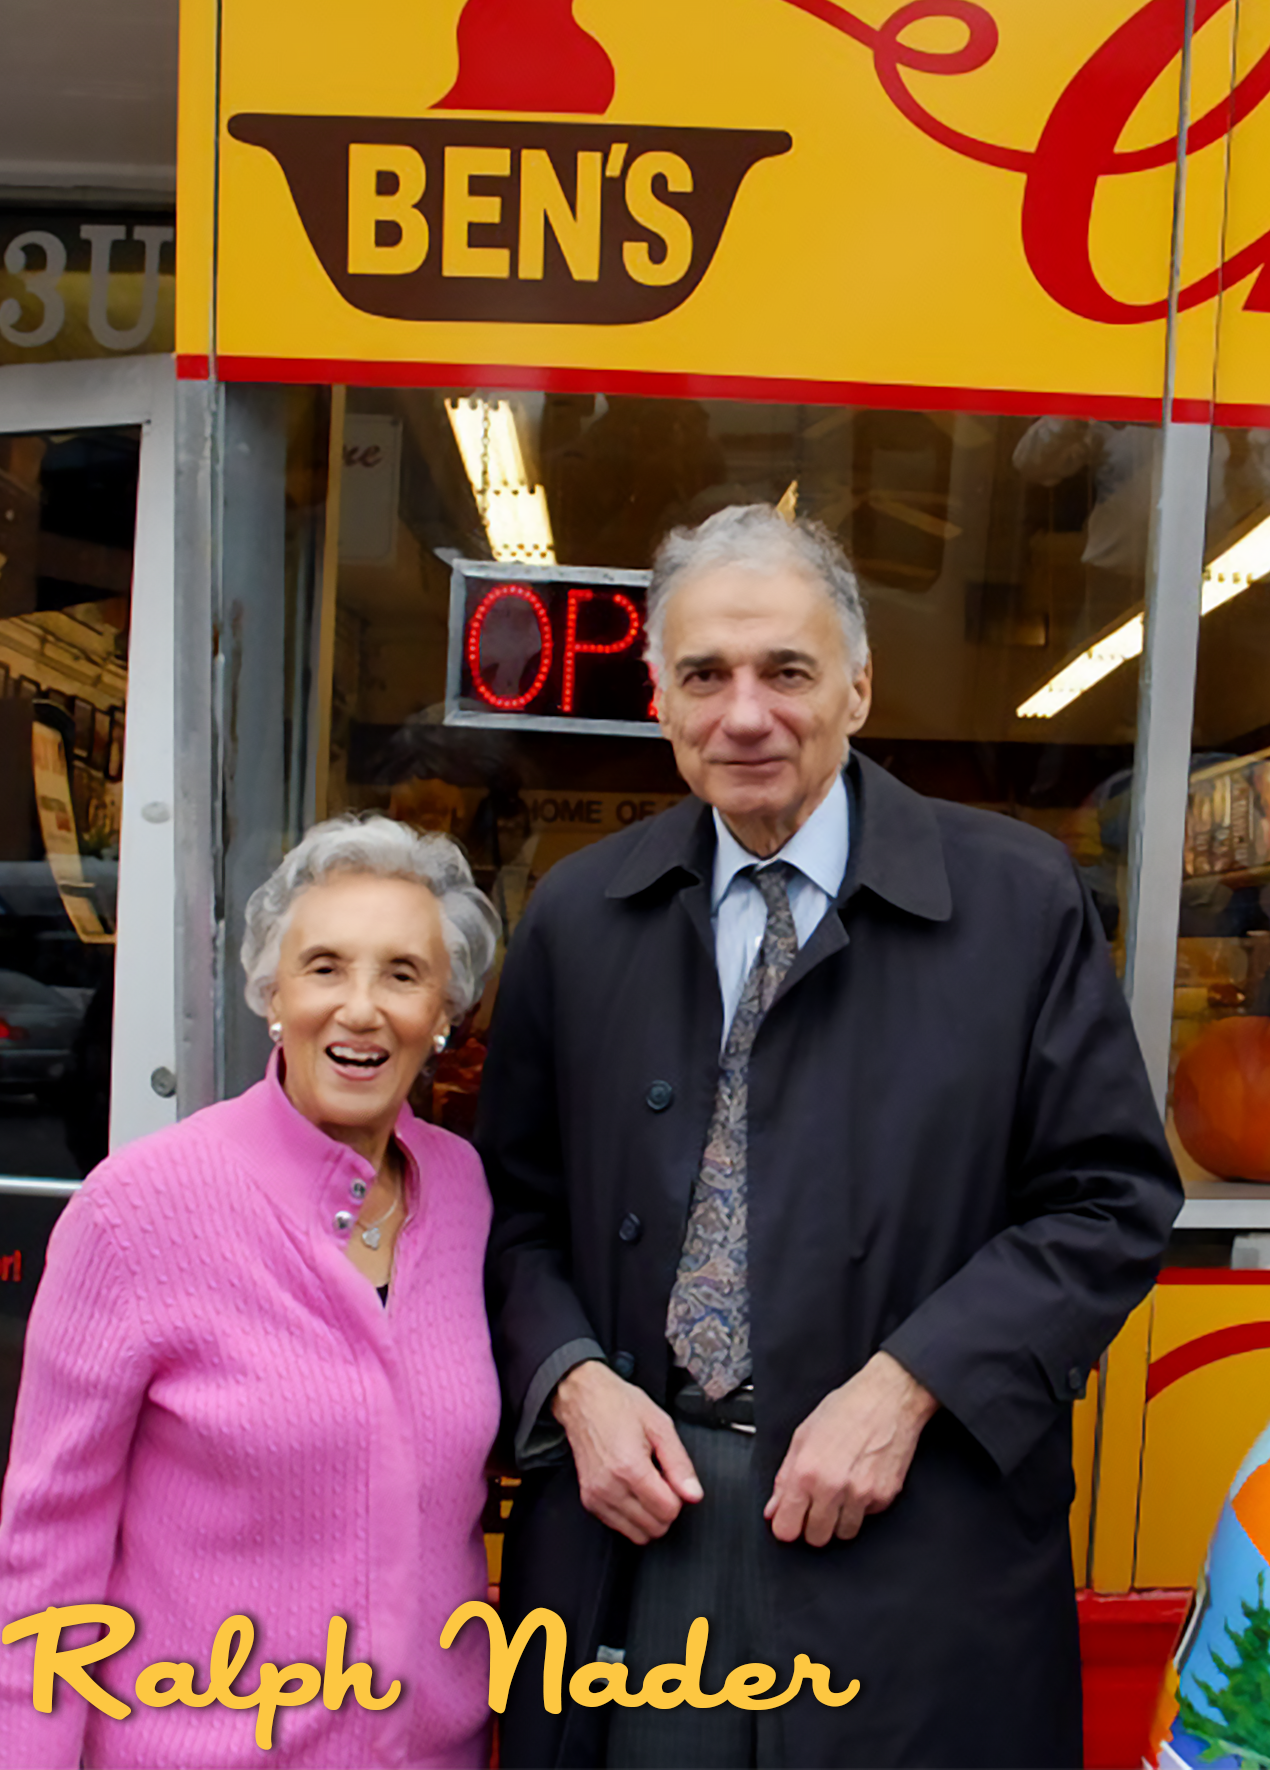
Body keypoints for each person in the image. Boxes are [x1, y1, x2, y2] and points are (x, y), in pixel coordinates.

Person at [478, 503, 1181, 1770]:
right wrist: (572, 1383)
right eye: (705, 675)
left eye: (786, 671)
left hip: (914, 1527)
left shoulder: (1017, 901)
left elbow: (1107, 1200)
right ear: (659, 699)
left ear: (859, 686)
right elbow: (511, 1213)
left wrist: (911, 1383)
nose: (746, 713)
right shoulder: (577, 916)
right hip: (638, 1531)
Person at [0, 815, 504, 1769]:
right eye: (325, 967)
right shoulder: (138, 1210)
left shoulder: (461, 1190)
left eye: (402, 973)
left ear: (446, 1012)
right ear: (272, 993)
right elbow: (45, 1561)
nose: (361, 1008)